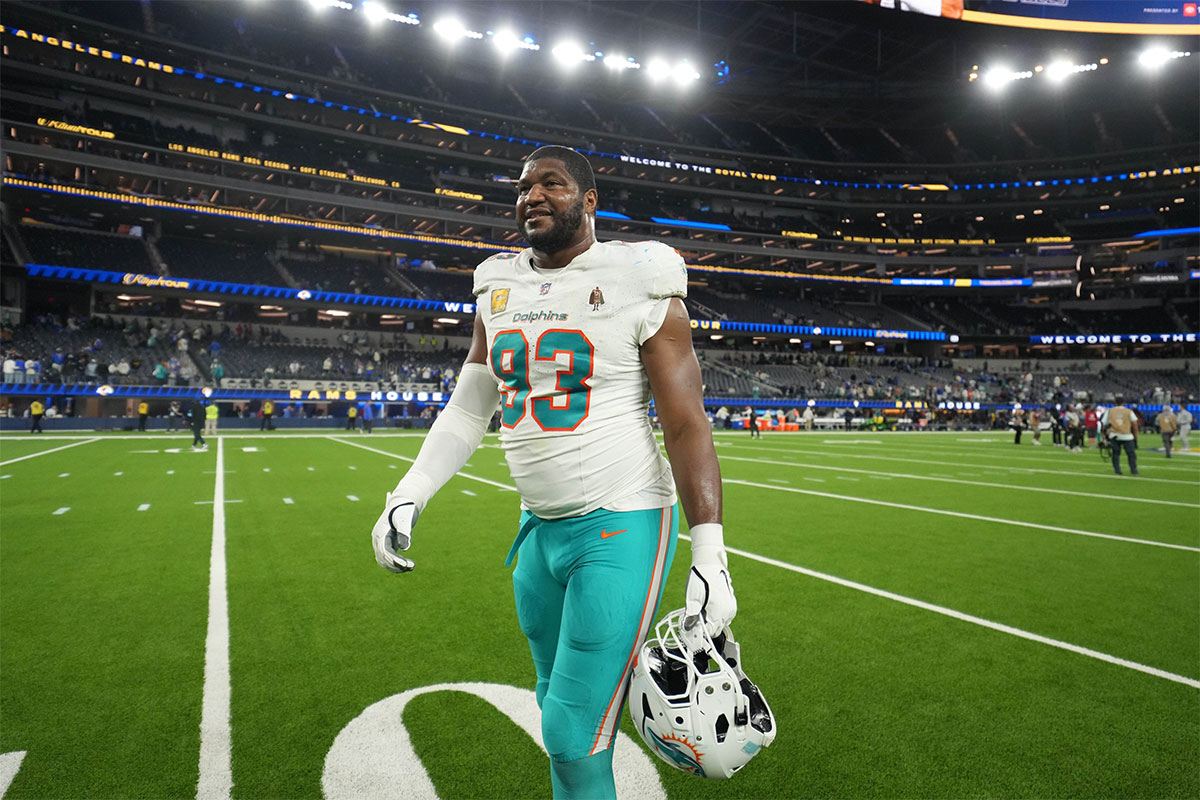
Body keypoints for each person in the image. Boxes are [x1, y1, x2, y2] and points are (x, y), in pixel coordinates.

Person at [370, 145, 737, 800]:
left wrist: (710, 555)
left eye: (552, 184)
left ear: (588, 201)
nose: (531, 195)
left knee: (572, 733)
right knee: (556, 717)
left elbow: (685, 423)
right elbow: (469, 405)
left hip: (620, 524)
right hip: (537, 532)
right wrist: (411, 492)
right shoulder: (496, 282)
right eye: (522, 186)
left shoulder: (640, 275)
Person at [1100, 395, 1138, 476]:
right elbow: (1134, 423)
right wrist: (1135, 435)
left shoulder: (1110, 411)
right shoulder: (1129, 411)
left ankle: (1117, 470)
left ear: (1115, 403)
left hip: (1114, 435)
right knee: (1131, 454)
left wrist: (1103, 437)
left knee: (1115, 454)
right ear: (1124, 403)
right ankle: (1134, 470)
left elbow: (1103, 424)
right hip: (1127, 435)